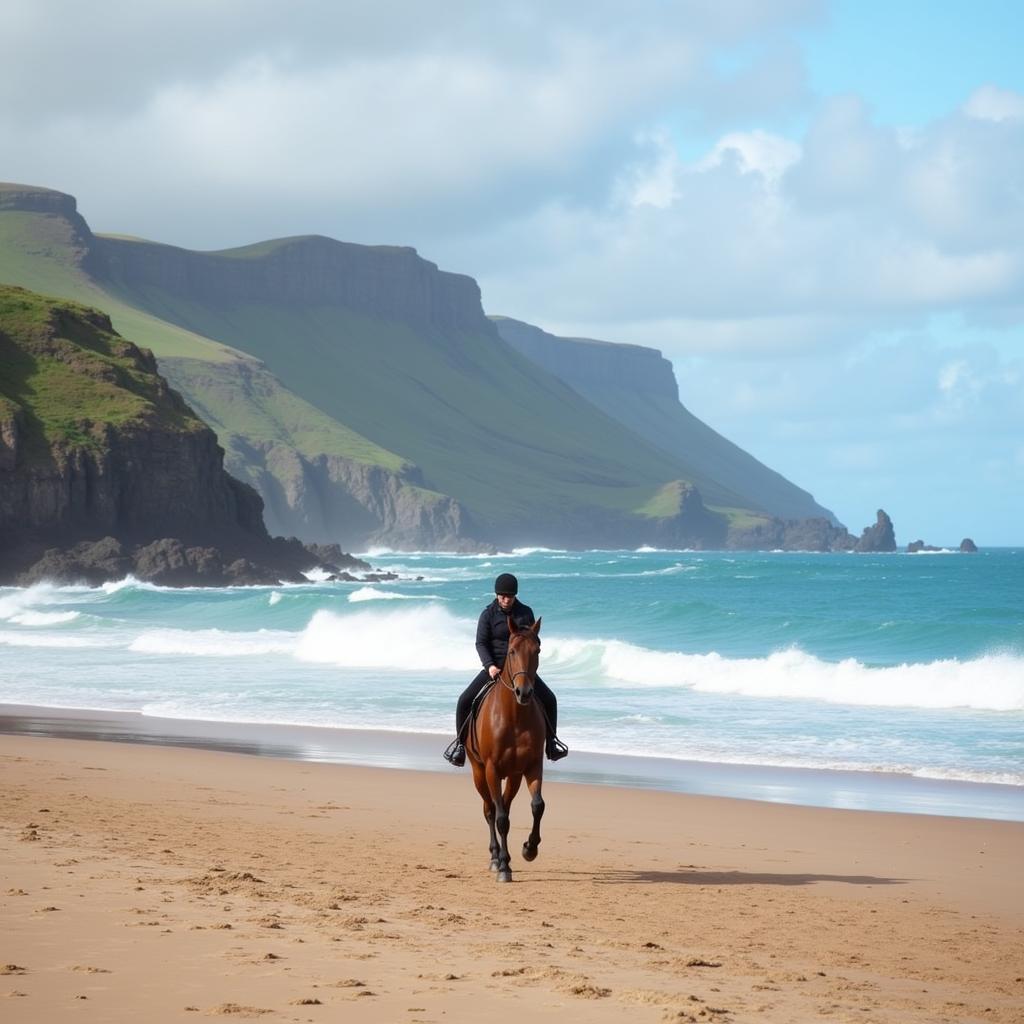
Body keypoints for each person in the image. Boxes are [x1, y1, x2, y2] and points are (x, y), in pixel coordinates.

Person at [444, 572, 567, 767]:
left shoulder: (525, 613)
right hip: (495, 668)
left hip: (521, 669)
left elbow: (533, 638)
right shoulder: (488, 615)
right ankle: (459, 746)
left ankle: (551, 743)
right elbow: (481, 643)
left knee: (550, 699)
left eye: (509, 596)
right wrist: (490, 666)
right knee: (464, 700)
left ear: (515, 596)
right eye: (502, 596)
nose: (506, 600)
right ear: (496, 595)